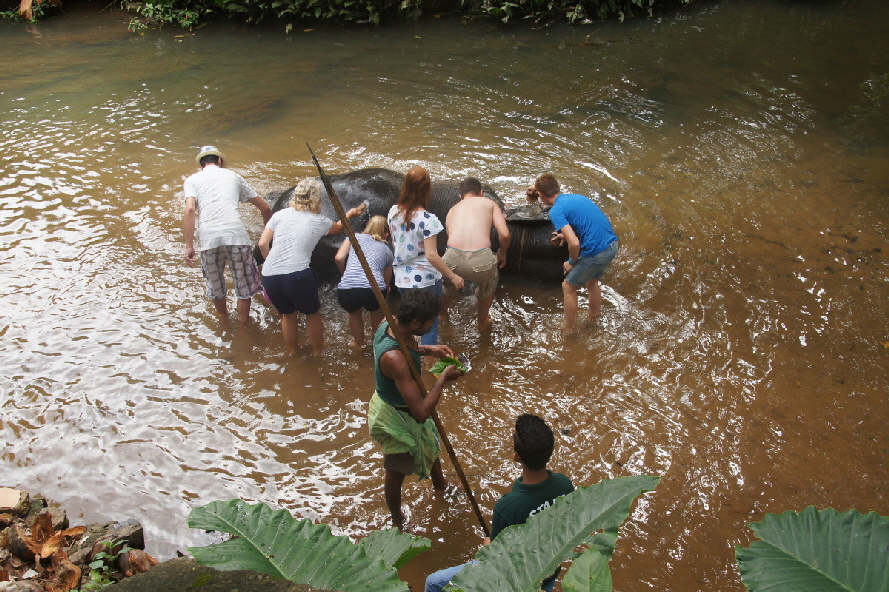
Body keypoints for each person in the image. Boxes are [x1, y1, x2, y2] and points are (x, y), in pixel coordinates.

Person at [424, 413, 574, 592]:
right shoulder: (565, 484)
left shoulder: (507, 507)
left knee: (432, 583)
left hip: (517, 578)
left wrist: (488, 545)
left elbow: (496, 557)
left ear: (516, 457)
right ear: (551, 452)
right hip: (549, 571)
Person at [368, 289, 464, 528]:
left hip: (403, 400)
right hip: (398, 414)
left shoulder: (388, 320)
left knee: (430, 443)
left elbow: (409, 348)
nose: (432, 325)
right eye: (429, 322)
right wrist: (442, 377)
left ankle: (441, 486)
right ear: (413, 321)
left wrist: (429, 350)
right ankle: (397, 519)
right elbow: (421, 413)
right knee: (396, 471)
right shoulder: (395, 360)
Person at [257, 178, 365, 355]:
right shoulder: (317, 220)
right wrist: (350, 214)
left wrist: (271, 263)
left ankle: (292, 351)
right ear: (317, 199)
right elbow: (338, 228)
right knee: (312, 313)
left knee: (288, 315)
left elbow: (262, 244)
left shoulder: (279, 215)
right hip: (297, 275)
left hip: (270, 275)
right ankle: (317, 350)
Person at [183, 145, 272, 323]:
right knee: (244, 287)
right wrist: (268, 236)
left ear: (201, 164)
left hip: (208, 239)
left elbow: (190, 209)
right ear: (219, 161)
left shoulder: (191, 180)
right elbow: (265, 207)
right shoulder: (234, 176)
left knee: (215, 287)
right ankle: (243, 328)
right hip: (236, 236)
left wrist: (189, 245)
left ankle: (224, 322)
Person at [529, 174, 618, 330]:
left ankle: (569, 329)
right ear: (558, 188)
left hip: (596, 251)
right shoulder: (577, 197)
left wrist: (571, 262)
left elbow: (575, 243)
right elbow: (585, 223)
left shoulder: (556, 210)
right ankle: (593, 319)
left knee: (568, 287)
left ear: (541, 196)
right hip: (611, 245)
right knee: (591, 282)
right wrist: (565, 234)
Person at [388, 166, 464, 347]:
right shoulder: (429, 220)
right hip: (426, 280)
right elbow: (431, 255)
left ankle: (408, 353)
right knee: (430, 323)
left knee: (409, 321)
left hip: (402, 280)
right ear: (427, 189)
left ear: (405, 186)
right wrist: (452, 276)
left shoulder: (393, 212)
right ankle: (429, 362)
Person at [442, 177, 511, 332]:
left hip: (452, 259)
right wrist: (502, 252)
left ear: (461, 196)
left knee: (448, 287)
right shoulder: (489, 203)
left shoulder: (453, 209)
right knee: (487, 287)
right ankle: (481, 321)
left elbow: (450, 236)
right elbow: (505, 235)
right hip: (481, 260)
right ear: (481, 193)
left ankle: (443, 315)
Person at [335, 215, 394, 349]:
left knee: (354, 314)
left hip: (347, 288)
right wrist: (386, 292)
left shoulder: (353, 237)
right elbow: (386, 282)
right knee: (376, 311)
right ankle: (378, 343)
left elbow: (339, 258)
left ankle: (359, 344)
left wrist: (345, 274)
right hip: (373, 289)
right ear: (386, 234)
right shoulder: (387, 250)